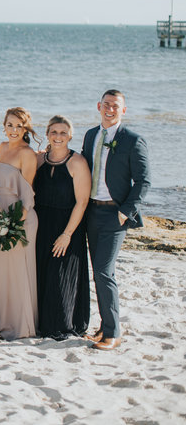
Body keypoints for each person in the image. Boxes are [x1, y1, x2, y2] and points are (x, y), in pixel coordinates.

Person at [82, 90, 150, 351]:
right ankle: (103, 327)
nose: (110, 109)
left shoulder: (133, 140)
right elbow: (82, 164)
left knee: (103, 271)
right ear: (99, 106)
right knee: (97, 273)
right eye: (106, 104)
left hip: (115, 214)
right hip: (91, 211)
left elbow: (144, 181)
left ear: (124, 110)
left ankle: (113, 333)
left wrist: (126, 210)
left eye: (116, 106)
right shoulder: (91, 135)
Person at [34, 116, 91, 340]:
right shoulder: (39, 159)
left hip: (67, 226)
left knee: (60, 278)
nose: (58, 137)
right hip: (41, 224)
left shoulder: (77, 162)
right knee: (42, 274)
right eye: (54, 132)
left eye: (63, 133)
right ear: (47, 134)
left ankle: (62, 323)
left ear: (70, 136)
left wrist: (67, 235)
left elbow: (82, 201)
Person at [0, 107, 39, 341]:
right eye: (10, 125)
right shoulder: (1, 148)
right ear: (4, 126)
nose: (14, 130)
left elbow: (28, 197)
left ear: (25, 128)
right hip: (1, 220)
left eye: (19, 126)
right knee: (1, 273)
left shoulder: (27, 154)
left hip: (21, 220)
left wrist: (13, 225)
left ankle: (20, 326)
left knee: (19, 273)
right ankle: (1, 323)